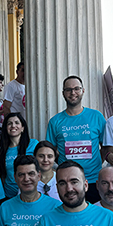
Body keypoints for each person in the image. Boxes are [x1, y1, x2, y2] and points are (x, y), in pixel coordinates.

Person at [46, 75, 106, 203]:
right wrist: (64, 164)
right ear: (63, 93)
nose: (73, 92)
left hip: (93, 181)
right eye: (68, 89)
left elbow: (106, 146)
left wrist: (96, 162)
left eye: (76, 89)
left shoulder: (96, 116)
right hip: (67, 183)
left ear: (83, 90)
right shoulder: (55, 121)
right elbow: (50, 151)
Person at [0, 113, 39, 199]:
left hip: (31, 192)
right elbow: (2, 174)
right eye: (9, 123)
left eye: (17, 123)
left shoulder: (33, 144)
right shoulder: (2, 150)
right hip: (9, 195)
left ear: (23, 128)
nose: (13, 126)